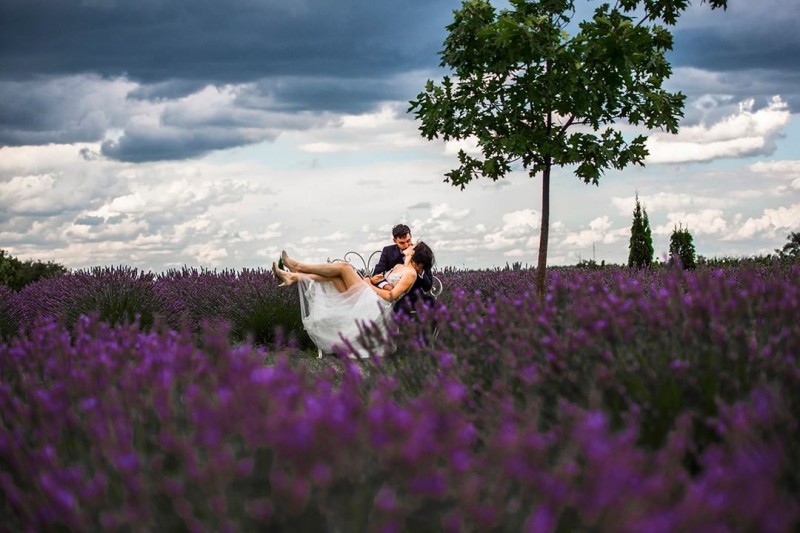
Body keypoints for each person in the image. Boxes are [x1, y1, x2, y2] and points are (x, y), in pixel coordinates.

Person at [273, 242, 435, 358]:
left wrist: (368, 285)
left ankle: (298, 267)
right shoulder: (400, 267)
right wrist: (373, 280)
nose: (410, 245)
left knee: (344, 267)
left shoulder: (411, 273)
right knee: (334, 278)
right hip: (369, 296)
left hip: (377, 305)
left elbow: (391, 296)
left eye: (413, 246)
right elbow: (386, 285)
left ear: (415, 255)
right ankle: (293, 277)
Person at [370, 224, 433, 315]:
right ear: (395, 241)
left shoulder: (420, 253)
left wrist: (419, 271)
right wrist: (388, 287)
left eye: (408, 240)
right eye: (402, 243)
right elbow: (377, 274)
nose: (406, 245)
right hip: (388, 293)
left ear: (411, 236)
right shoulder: (388, 251)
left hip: (413, 296)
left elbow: (428, 286)